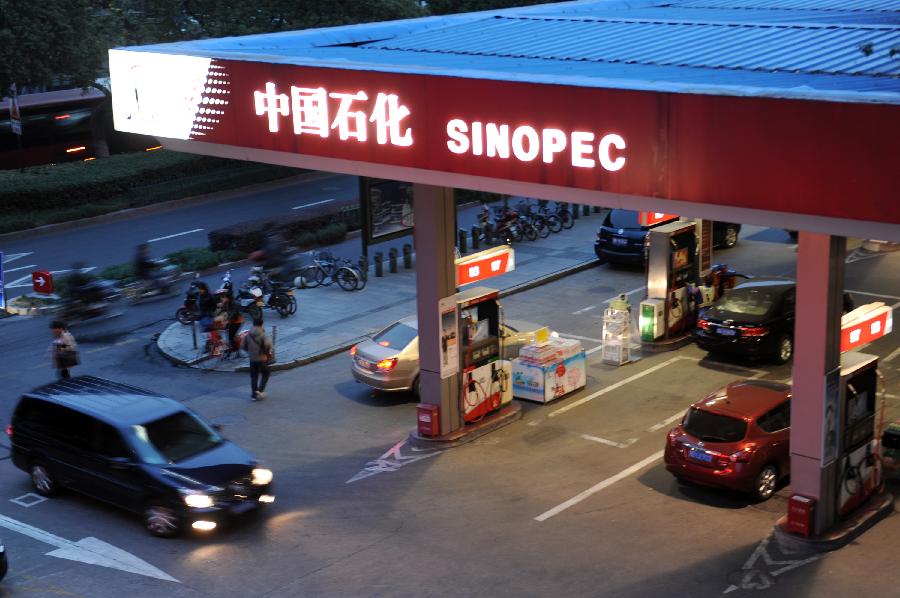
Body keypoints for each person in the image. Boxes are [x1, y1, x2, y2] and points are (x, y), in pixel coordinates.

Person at [245, 317, 273, 401]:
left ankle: (254, 393)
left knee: (254, 376)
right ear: (261, 324)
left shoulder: (248, 335)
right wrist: (266, 354)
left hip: (252, 358)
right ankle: (260, 390)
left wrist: (250, 352)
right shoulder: (263, 335)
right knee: (266, 373)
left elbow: (243, 346)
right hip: (262, 358)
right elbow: (269, 346)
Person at [215, 291, 244, 356]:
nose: (223, 299)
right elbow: (223, 311)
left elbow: (233, 313)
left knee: (231, 336)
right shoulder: (226, 303)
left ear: (228, 298)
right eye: (222, 297)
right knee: (228, 335)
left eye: (224, 297)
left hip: (237, 321)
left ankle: (236, 350)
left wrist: (227, 320)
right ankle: (231, 347)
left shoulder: (234, 304)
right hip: (231, 320)